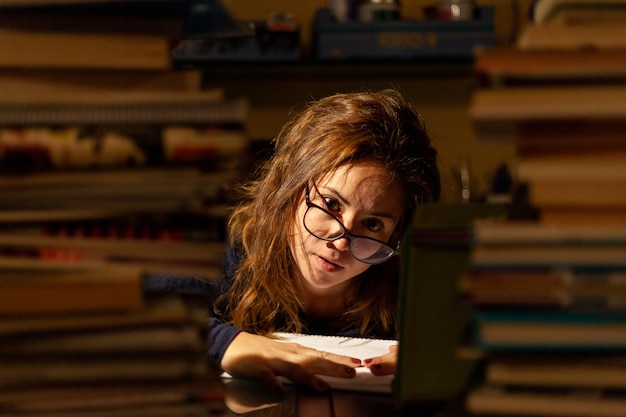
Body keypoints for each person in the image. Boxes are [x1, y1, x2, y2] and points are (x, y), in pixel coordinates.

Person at [208, 89, 441, 393]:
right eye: (330, 204)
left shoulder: (411, 289)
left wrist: (442, 357)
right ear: (289, 188)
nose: (342, 241)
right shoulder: (226, 249)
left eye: (372, 224)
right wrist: (228, 343)